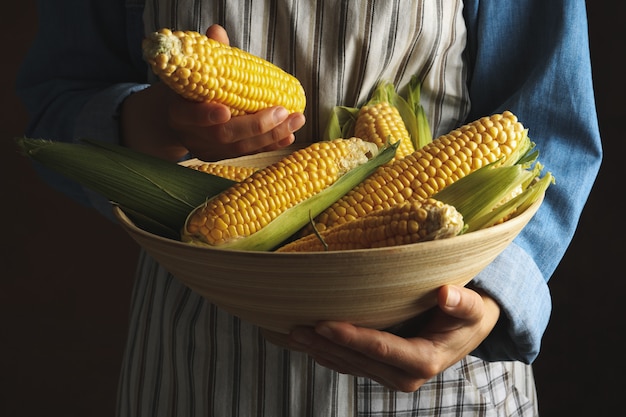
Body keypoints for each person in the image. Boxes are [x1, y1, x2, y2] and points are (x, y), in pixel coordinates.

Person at [16, 0, 601, 415]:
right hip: (199, 360)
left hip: (438, 350)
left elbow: (546, 128)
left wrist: (490, 303)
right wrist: (160, 123)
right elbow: (59, 102)